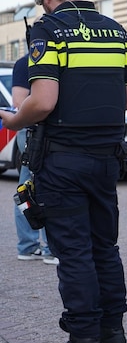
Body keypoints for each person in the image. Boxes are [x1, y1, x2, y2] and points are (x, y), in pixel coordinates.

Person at [0, 0, 127, 343]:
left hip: (63, 159)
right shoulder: (116, 31)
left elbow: (42, 101)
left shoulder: (49, 30)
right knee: (105, 247)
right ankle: (113, 335)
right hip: (106, 159)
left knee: (74, 252)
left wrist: (14, 120)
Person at [12, 54, 56, 265]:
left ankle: (28, 247)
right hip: (36, 133)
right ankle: (48, 248)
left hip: (32, 131)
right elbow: (19, 102)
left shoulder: (24, 62)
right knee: (47, 186)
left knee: (26, 187)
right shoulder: (27, 62)